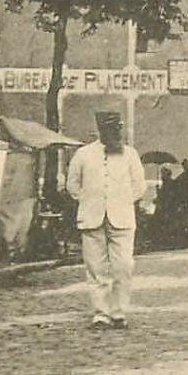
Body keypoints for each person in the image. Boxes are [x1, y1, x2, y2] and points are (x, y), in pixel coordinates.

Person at [65, 111, 146, 330]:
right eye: (110, 130)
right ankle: (101, 314)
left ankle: (118, 312)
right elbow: (72, 184)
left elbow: (140, 186)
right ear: (101, 131)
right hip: (92, 218)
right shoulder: (83, 154)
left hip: (122, 219)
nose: (115, 134)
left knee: (124, 266)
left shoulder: (130, 155)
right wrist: (89, 199)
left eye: (117, 129)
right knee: (96, 268)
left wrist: (122, 201)